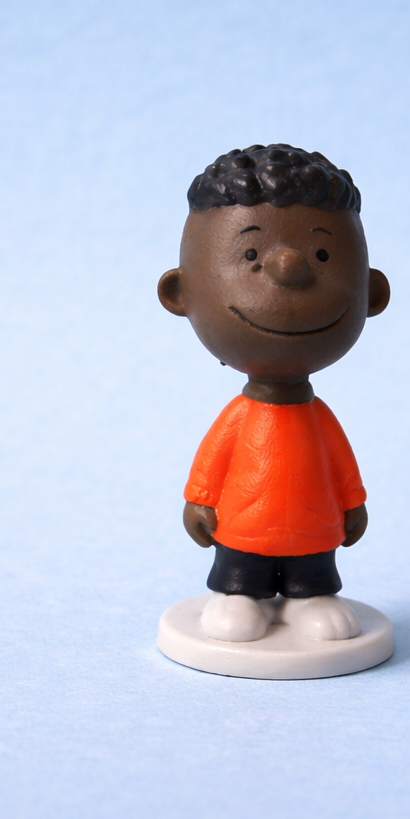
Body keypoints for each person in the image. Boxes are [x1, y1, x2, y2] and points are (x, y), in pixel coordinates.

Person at [157, 145, 390, 642]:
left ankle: (310, 596)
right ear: (180, 293)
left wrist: (353, 503)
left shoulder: (318, 418)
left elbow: (340, 462)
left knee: (314, 572)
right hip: (243, 525)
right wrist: (198, 500)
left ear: (372, 294)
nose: (289, 266)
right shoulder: (240, 416)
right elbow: (214, 458)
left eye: (323, 255)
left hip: (314, 526)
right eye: (250, 255)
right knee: (241, 573)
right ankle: (241, 594)